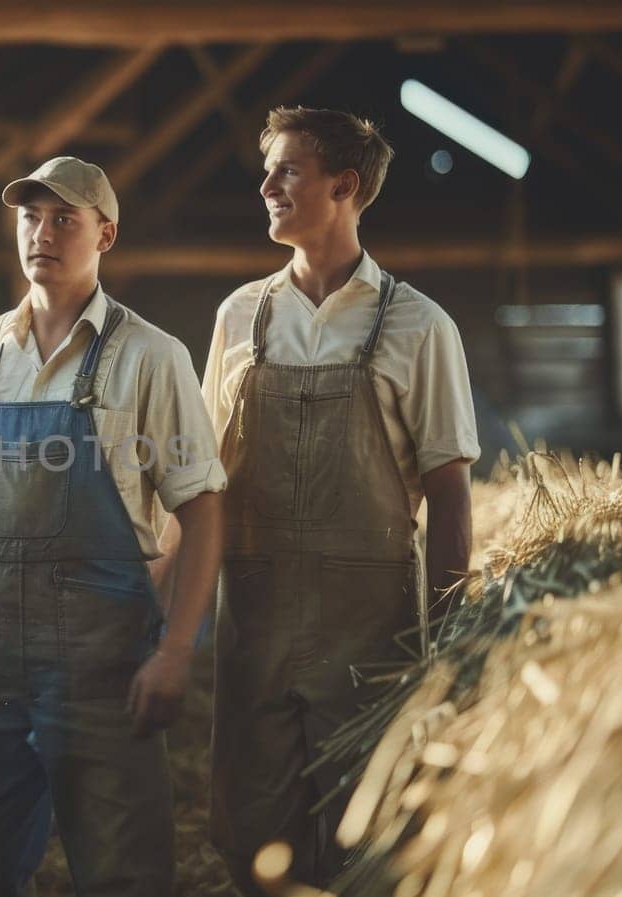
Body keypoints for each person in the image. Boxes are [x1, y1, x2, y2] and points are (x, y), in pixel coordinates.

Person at [0, 155, 226, 897]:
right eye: (30, 217)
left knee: (123, 874)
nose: (43, 233)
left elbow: (202, 513)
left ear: (105, 234)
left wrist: (175, 650)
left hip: (104, 670)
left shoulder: (151, 356)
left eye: (64, 219)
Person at [190, 107, 478, 893]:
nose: (266, 185)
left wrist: (442, 645)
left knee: (369, 834)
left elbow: (450, 495)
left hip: (372, 630)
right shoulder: (239, 316)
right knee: (253, 837)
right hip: (254, 621)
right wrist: (173, 624)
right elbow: (203, 487)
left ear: (344, 185)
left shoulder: (420, 325)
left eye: (287, 170)